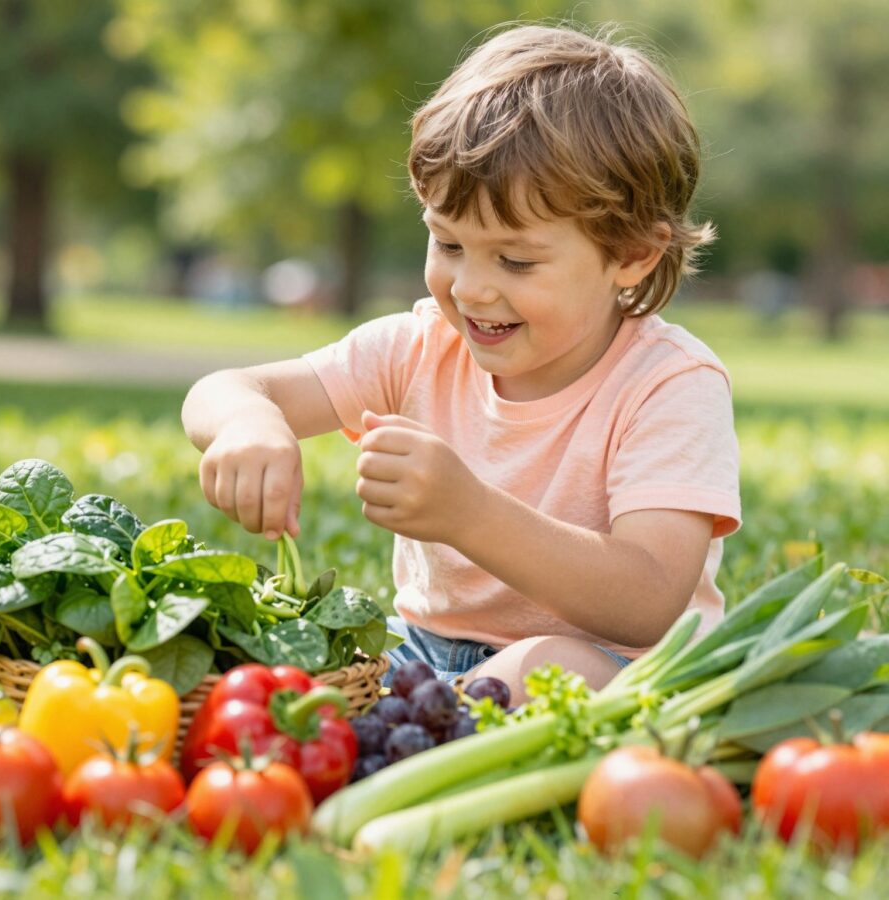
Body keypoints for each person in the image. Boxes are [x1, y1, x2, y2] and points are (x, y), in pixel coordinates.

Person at [180, 24, 740, 702]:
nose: (470, 287)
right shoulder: (420, 348)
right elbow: (228, 388)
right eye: (447, 244)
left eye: (516, 259)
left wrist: (469, 513)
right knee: (298, 669)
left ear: (632, 255)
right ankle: (424, 725)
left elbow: (648, 597)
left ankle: (430, 734)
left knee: (543, 671)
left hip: (619, 670)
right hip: (419, 655)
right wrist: (248, 425)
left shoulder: (669, 384)